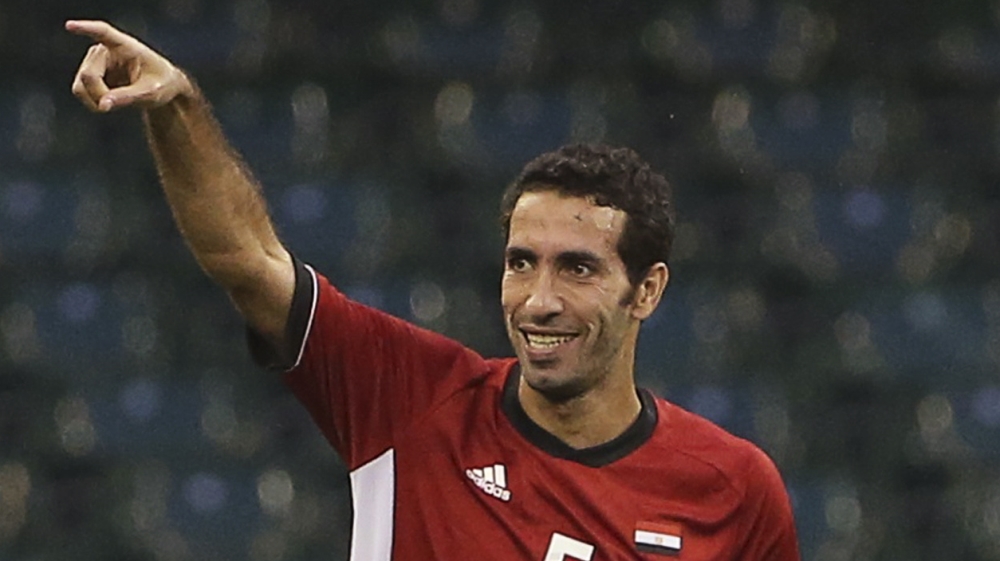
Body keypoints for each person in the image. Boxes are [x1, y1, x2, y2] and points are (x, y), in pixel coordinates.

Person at [67, 19, 801, 561]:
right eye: (521, 262)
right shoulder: (411, 399)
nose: (538, 299)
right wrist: (177, 108)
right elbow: (248, 260)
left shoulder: (733, 487)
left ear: (646, 291)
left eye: (578, 268)